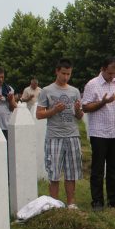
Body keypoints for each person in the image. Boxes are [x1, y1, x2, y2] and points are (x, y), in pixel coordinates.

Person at [82, 57, 115, 211]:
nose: (111, 77)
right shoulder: (92, 84)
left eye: (114, 74)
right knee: (98, 168)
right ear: (102, 69)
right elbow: (86, 107)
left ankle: (113, 198)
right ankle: (97, 201)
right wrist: (103, 102)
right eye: (109, 73)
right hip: (100, 132)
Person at [36, 58, 84, 209]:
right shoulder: (47, 91)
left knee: (71, 172)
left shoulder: (75, 91)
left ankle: (71, 203)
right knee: (54, 172)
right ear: (57, 71)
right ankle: (54, 204)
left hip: (72, 135)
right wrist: (54, 110)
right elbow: (39, 114)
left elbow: (80, 116)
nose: (65, 77)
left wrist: (77, 110)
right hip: (54, 136)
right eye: (63, 73)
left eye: (68, 74)